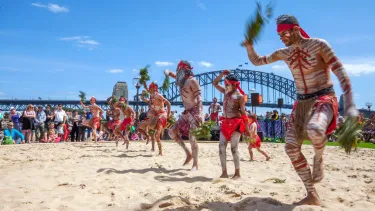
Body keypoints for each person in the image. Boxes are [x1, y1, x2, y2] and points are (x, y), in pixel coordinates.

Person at [243, 14, 358, 205]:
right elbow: (257, 61)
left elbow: (340, 72)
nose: (281, 37)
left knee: (315, 129)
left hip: (323, 98)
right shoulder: (283, 53)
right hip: (301, 103)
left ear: (296, 29)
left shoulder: (319, 45)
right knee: (290, 148)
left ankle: (319, 158)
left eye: (284, 33)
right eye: (279, 34)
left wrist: (351, 103)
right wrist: (249, 47)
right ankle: (312, 194)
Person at [165, 60, 203, 170]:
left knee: (192, 138)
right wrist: (167, 71)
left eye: (179, 70)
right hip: (186, 112)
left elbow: (200, 99)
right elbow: (171, 74)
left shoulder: (192, 81)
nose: (177, 72)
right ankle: (188, 153)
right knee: (172, 132)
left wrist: (200, 113)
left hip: (195, 112)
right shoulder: (182, 81)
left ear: (184, 71)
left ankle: (195, 164)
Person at [213, 71, 251, 179]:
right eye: (225, 84)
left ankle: (237, 173)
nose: (225, 85)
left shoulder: (239, 97)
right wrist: (221, 74)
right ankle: (224, 172)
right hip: (225, 122)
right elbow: (215, 83)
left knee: (234, 148)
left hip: (236, 123)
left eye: (227, 84)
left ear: (234, 84)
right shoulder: (225, 92)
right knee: (221, 146)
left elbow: (243, 113)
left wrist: (247, 129)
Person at [136, 81, 171, 155]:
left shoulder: (158, 95)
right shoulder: (151, 96)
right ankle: (148, 138)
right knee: (139, 127)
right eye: (149, 88)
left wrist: (168, 113)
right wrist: (144, 83)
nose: (149, 89)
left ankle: (160, 152)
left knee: (157, 135)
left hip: (161, 115)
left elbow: (168, 103)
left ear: (154, 88)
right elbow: (144, 95)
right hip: (154, 116)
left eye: (151, 87)